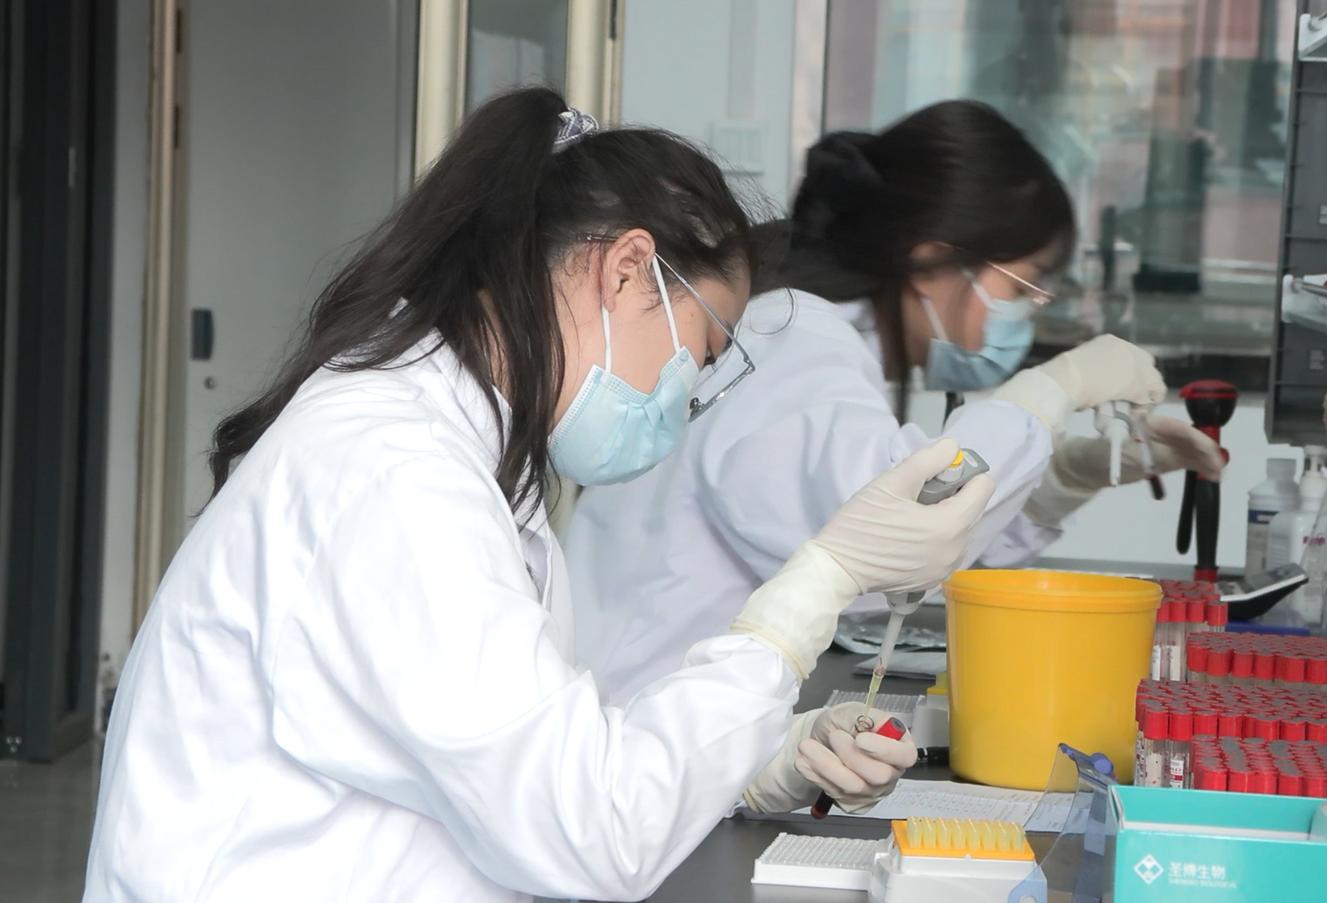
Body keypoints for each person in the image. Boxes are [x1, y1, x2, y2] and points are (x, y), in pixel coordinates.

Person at [82, 89, 994, 902]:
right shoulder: (392, 473)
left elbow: (531, 750)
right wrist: (815, 585)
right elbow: (593, 829)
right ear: (626, 270)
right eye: (703, 353)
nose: (686, 398)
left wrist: (761, 763)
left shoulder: (463, 449)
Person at [567, 100, 1225, 701]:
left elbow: (918, 543)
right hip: (645, 718)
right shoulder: (794, 334)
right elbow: (890, 539)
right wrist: (1052, 391)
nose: (1025, 315)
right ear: (935, 260)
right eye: (1022, 289)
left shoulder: (819, 332)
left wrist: (1059, 481)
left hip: (669, 707)